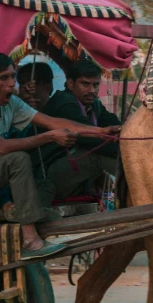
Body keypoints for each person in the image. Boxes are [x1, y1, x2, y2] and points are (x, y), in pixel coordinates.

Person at [0, 53, 118, 259]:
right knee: (18, 159)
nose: (11, 84)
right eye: (3, 78)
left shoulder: (11, 104)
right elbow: (0, 147)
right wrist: (49, 137)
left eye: (13, 77)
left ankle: (35, 216)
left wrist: (102, 131)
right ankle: (29, 239)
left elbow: (54, 122)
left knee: (43, 184)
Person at [38, 59, 121, 200]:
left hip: (73, 174)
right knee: (96, 154)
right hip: (46, 177)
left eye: (95, 85)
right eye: (85, 84)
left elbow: (114, 123)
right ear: (71, 84)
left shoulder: (95, 105)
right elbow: (89, 139)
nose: (92, 91)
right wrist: (126, 147)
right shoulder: (64, 102)